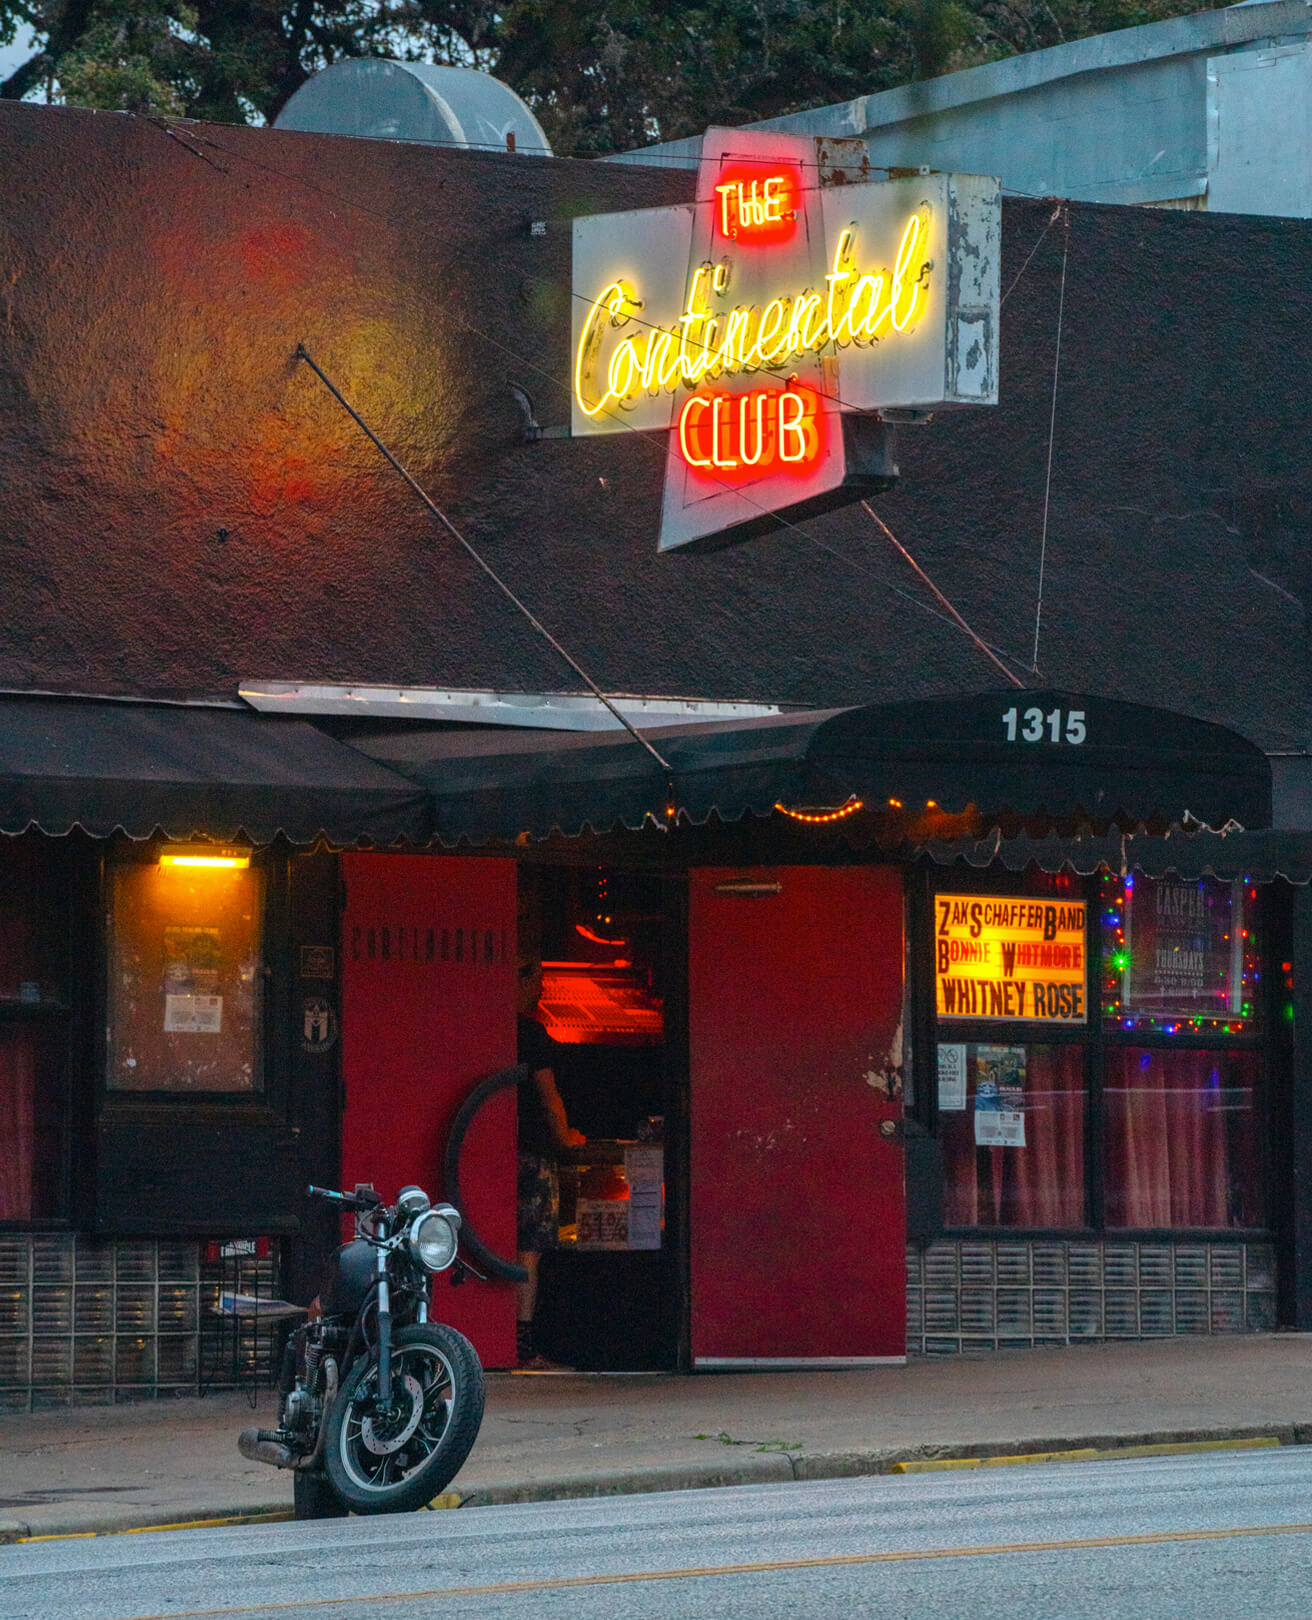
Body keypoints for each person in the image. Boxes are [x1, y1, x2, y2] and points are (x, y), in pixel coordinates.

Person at [516, 957, 584, 1370]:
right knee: (529, 1251)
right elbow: (549, 1095)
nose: (540, 992)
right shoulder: (532, 1034)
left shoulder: (488, 1028)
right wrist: (565, 1138)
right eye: (537, 982)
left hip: (487, 1159)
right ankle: (522, 1349)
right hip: (532, 1157)